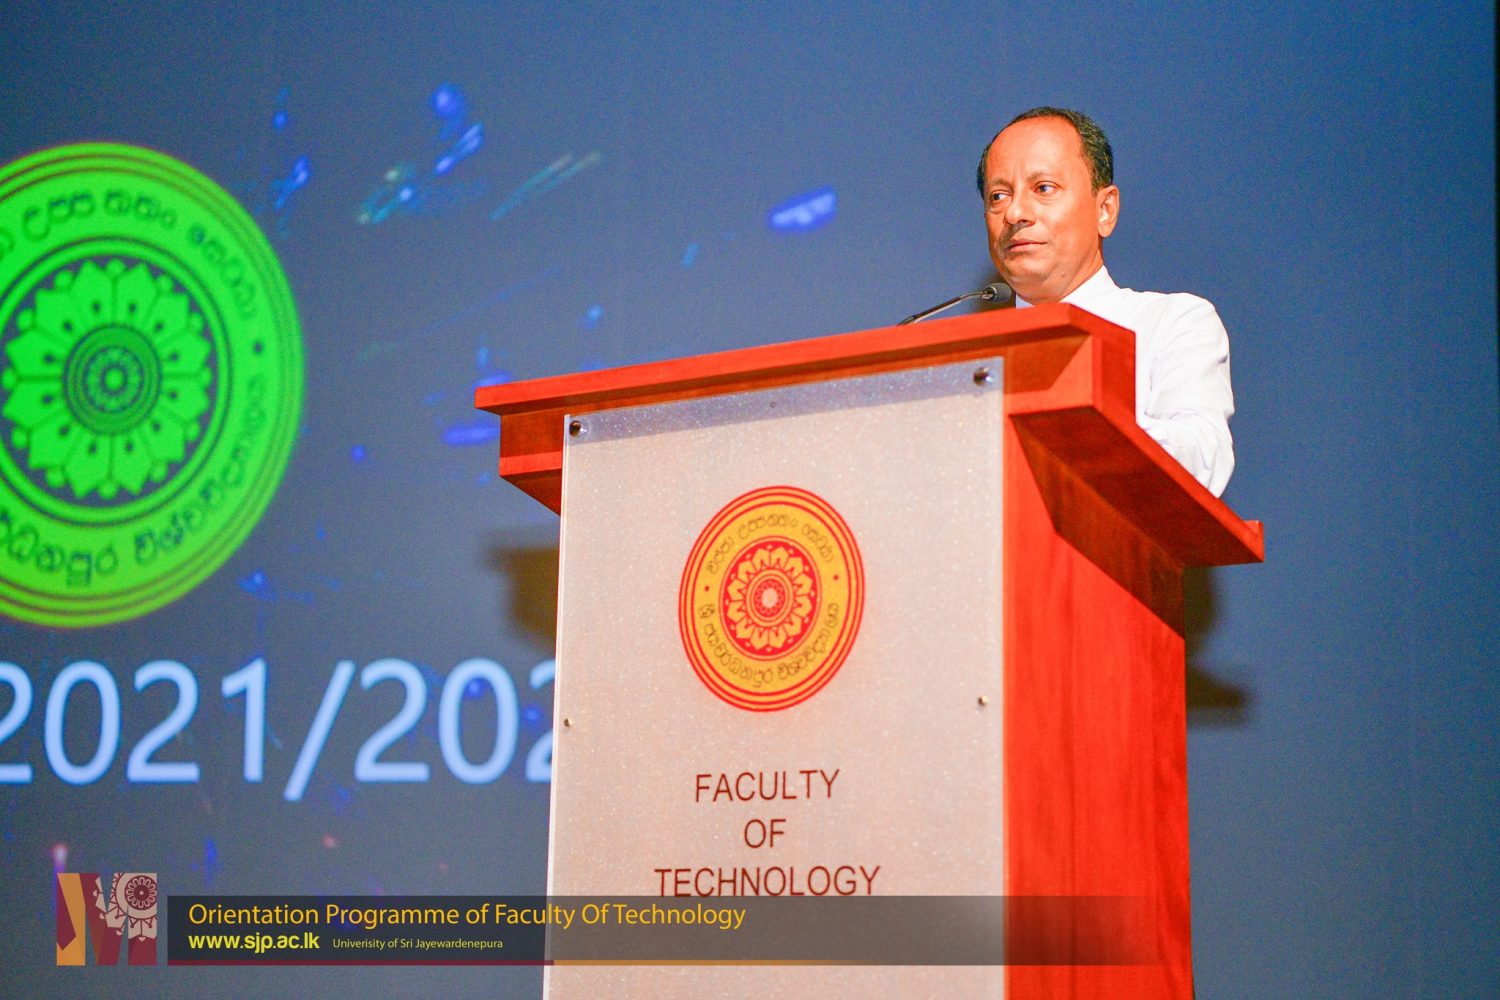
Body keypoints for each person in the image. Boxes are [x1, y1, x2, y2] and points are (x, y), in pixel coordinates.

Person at [977, 107, 1235, 496]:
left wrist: (1078, 422)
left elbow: (1201, 462)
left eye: (1043, 188)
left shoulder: (1173, 323)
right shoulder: (970, 360)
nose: (1014, 213)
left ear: (1105, 210)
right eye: (999, 196)